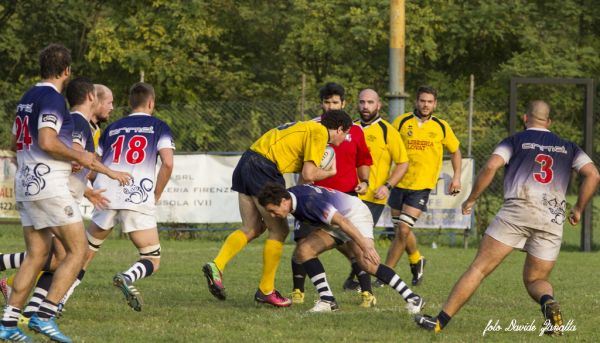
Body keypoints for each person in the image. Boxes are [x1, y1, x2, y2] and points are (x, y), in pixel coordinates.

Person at [415, 100, 600, 335]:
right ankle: (547, 302)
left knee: (479, 269)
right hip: (551, 217)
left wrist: (471, 199)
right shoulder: (568, 146)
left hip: (518, 211)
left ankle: (439, 321)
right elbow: (593, 174)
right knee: (535, 279)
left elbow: (491, 166)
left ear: (525, 118)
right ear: (549, 122)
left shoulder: (515, 140)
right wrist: (579, 209)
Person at [0, 44, 130, 343]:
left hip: (26, 183)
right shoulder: (52, 99)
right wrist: (80, 157)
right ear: (67, 71)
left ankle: (8, 323)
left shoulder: (26, 98)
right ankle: (44, 316)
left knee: (37, 255)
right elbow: (47, 140)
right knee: (78, 250)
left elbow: (14, 141)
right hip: (50, 186)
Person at [202, 109, 352, 307]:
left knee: (252, 228)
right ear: (340, 129)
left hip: (247, 161)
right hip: (265, 167)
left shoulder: (307, 126)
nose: (346, 137)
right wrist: (330, 171)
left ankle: (217, 265)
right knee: (279, 229)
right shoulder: (320, 133)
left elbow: (301, 173)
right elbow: (308, 174)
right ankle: (266, 290)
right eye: (347, 133)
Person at [79, 82, 175, 312]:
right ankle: (127, 276)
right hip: (137, 195)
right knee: (151, 257)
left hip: (106, 194)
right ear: (151, 103)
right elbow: (168, 163)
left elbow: (92, 167)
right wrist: (156, 194)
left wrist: (98, 186)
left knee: (82, 256)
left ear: (130, 103)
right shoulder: (159, 127)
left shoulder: (111, 128)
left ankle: (58, 303)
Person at [258, 183, 425, 313]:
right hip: (338, 220)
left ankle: (413, 298)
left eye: (273, 211)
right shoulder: (292, 198)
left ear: (284, 201)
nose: (273, 215)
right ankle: (328, 301)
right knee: (304, 250)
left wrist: (365, 245)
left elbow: (343, 222)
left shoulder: (308, 202)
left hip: (354, 215)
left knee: (368, 263)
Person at [289, 83, 374, 307]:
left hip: (344, 198)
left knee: (354, 247)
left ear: (343, 104)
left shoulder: (354, 130)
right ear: (321, 104)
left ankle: (367, 292)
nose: (330, 106)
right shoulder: (311, 128)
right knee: (301, 243)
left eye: (335, 102)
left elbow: (363, 160)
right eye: (327, 102)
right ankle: (298, 291)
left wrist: (365, 182)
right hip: (314, 197)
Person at [383, 85, 462, 287]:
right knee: (402, 231)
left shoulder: (441, 126)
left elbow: (455, 151)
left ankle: (385, 274)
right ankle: (417, 260)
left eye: (430, 101)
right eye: (422, 101)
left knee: (402, 230)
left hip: (421, 186)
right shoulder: (401, 122)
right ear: (416, 102)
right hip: (399, 183)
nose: (426, 105)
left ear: (435, 104)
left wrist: (457, 177)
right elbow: (388, 147)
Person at [349, 89, 410, 287]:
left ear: (379, 105)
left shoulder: (387, 131)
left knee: (359, 241)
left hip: (373, 197)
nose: (365, 106)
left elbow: (403, 163)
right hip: (348, 194)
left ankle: (363, 282)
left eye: (370, 102)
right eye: (362, 102)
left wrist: (387, 186)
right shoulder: (350, 128)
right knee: (347, 240)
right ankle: (359, 278)